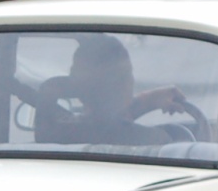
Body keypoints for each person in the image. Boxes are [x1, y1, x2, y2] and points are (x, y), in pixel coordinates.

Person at [30, 34, 190, 146]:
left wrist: (146, 101)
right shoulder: (153, 141)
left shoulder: (55, 134)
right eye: (127, 74)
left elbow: (105, 120)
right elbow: (111, 123)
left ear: (74, 84)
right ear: (125, 85)